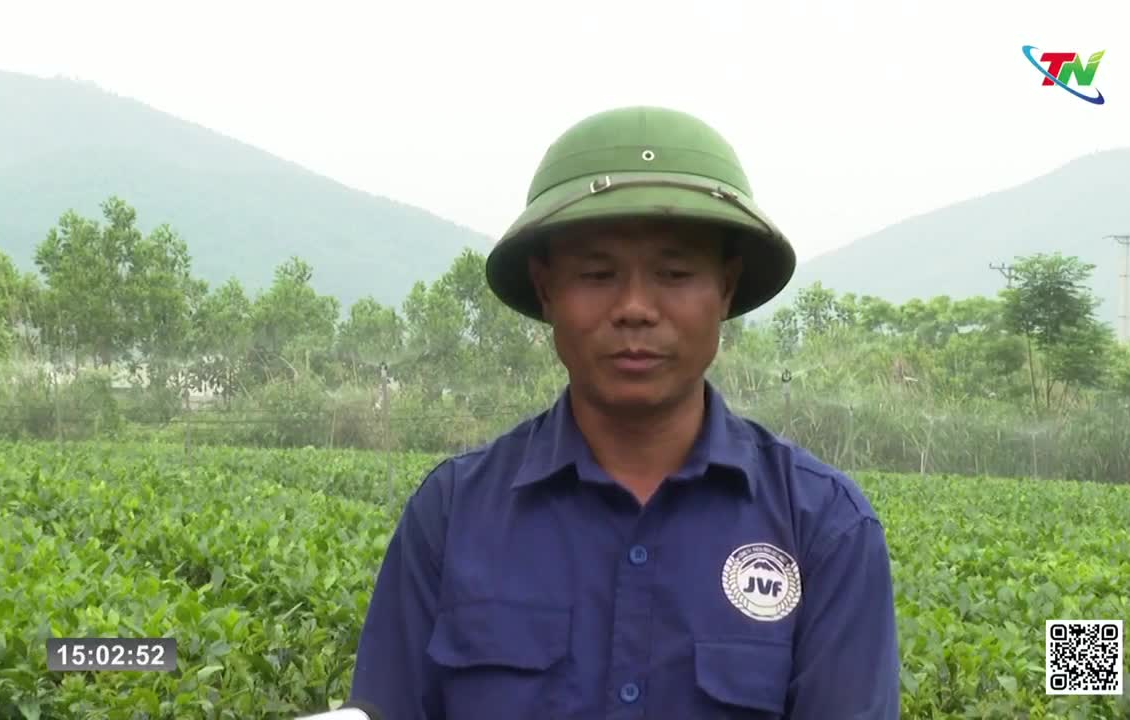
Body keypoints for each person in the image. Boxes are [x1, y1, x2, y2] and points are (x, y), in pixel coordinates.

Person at [349, 106, 900, 719]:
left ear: (725, 288)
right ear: (546, 289)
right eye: (596, 272)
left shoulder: (824, 527)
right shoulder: (451, 514)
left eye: (674, 272)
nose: (635, 308)